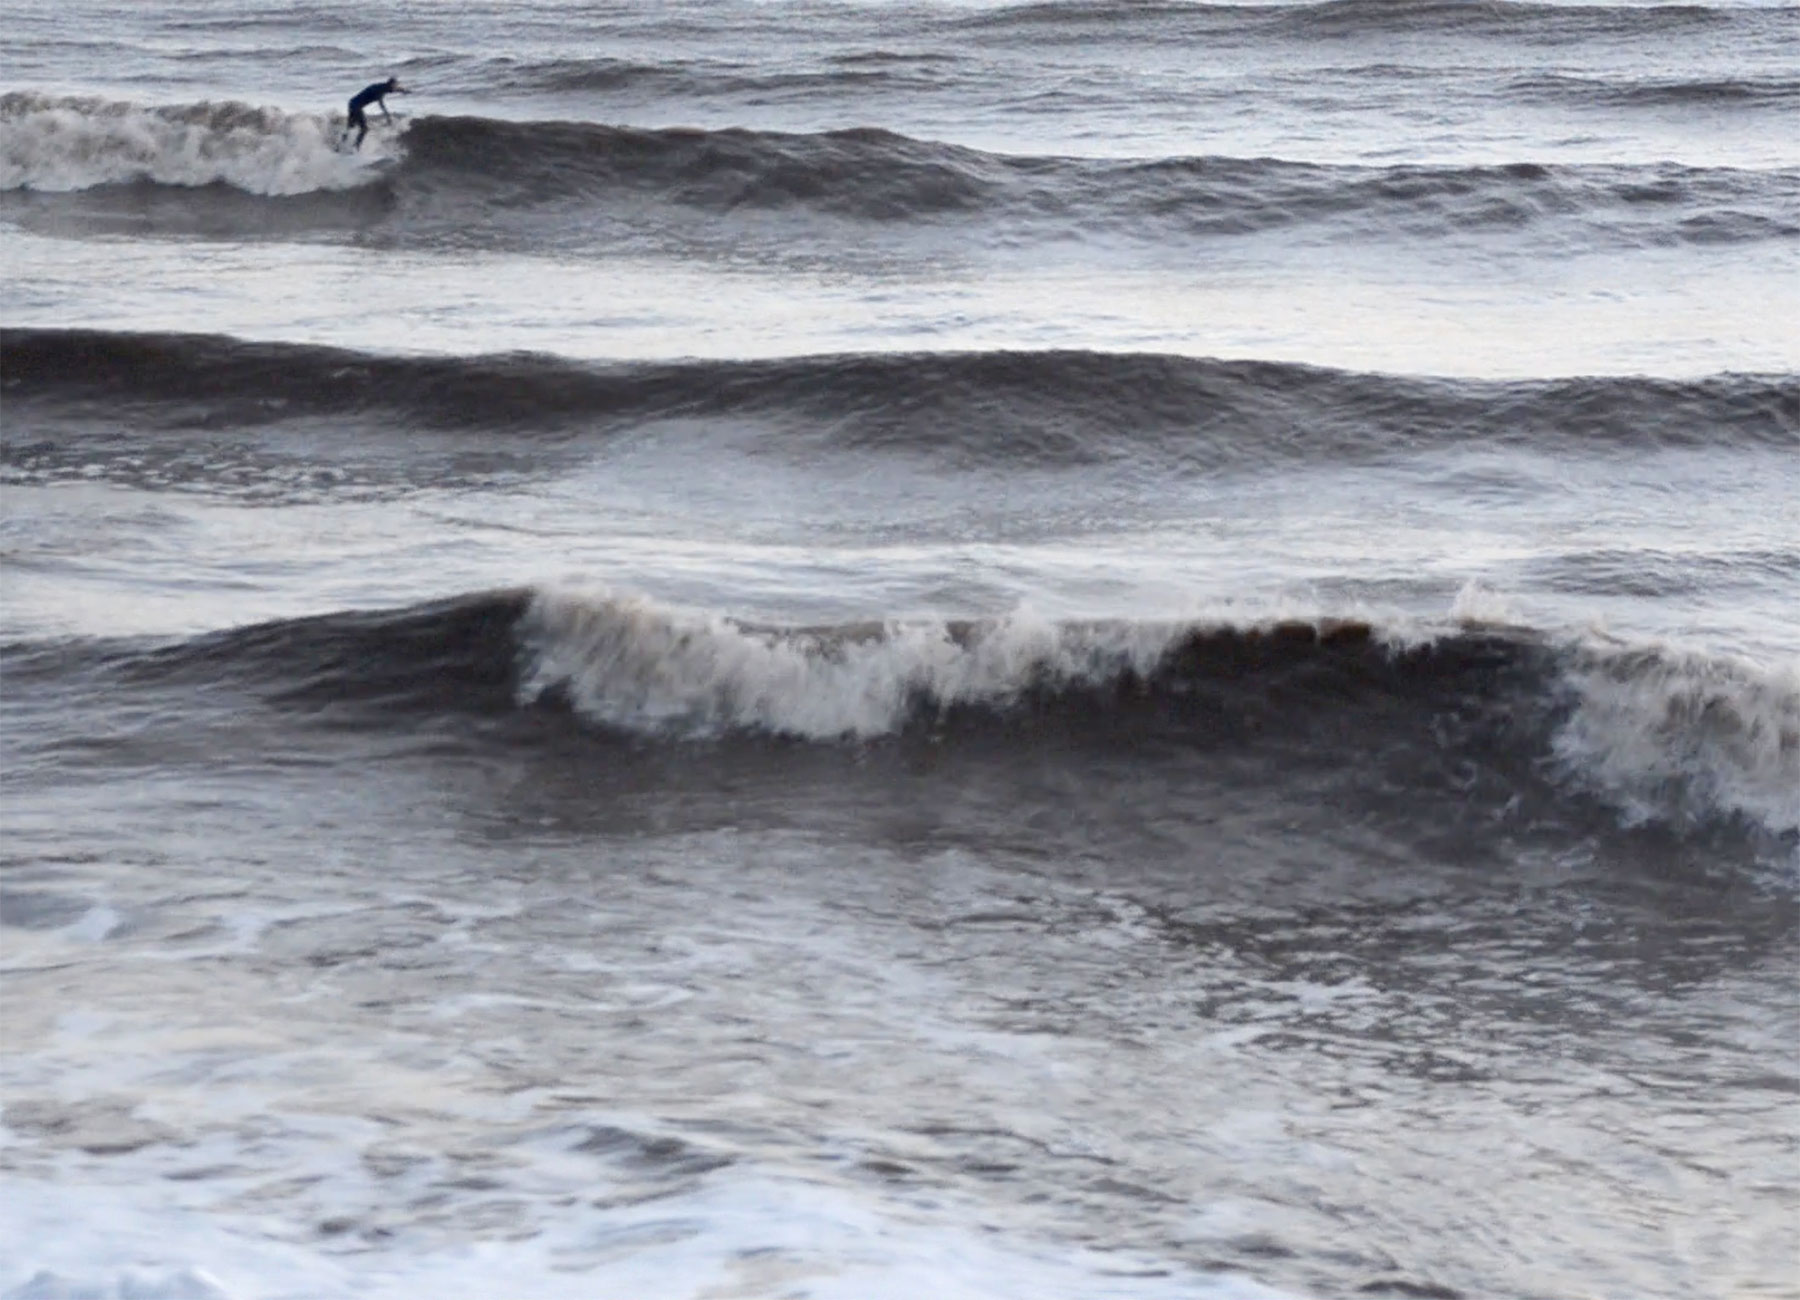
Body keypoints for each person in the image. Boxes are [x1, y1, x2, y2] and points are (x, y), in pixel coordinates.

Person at [342, 76, 407, 150]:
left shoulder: (383, 87)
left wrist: (403, 91)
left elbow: (393, 90)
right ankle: (355, 148)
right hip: (356, 106)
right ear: (391, 84)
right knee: (364, 129)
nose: (396, 87)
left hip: (352, 103)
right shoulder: (381, 89)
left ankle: (339, 146)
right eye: (395, 85)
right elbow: (381, 102)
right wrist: (387, 115)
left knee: (351, 127)